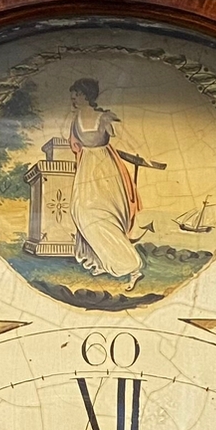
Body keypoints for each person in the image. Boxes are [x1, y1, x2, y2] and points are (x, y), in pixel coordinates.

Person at [66, 78, 164, 284]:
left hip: (106, 170)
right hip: (86, 170)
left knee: (104, 215)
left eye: (77, 94)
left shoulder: (104, 117)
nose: (73, 98)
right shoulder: (75, 120)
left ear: (86, 96)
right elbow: (74, 144)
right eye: (73, 95)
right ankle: (102, 260)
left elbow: (128, 140)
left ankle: (131, 266)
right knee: (81, 211)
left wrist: (143, 157)